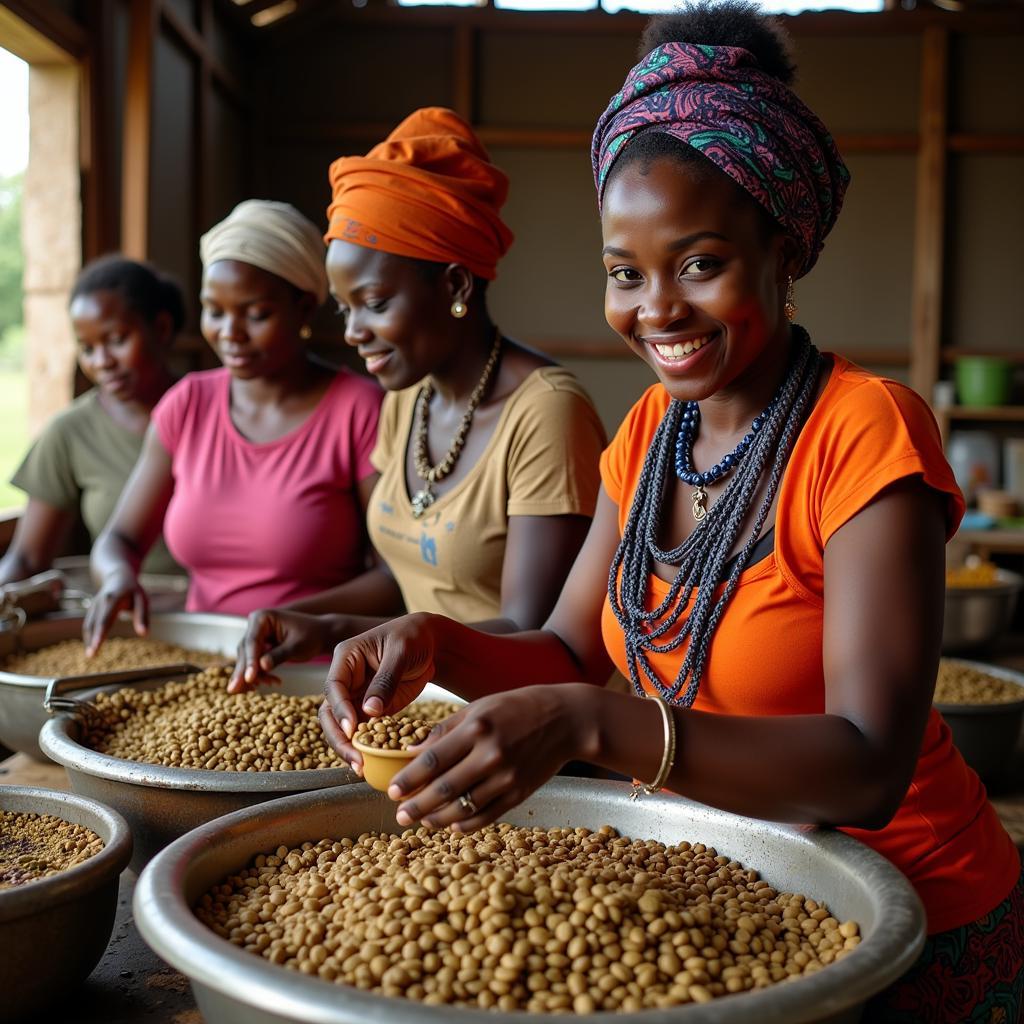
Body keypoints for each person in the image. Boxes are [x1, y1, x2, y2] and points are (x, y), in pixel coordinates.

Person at [317, 6, 1022, 1019]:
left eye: (699, 263)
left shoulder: (866, 435)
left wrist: (589, 723)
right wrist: (432, 642)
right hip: (732, 886)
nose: (655, 309)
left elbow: (868, 764)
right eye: (624, 272)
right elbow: (566, 651)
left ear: (786, 251)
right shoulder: (649, 430)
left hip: (908, 913)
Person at [228, 108, 606, 694]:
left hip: (516, 732)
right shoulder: (409, 398)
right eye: (344, 308)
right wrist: (319, 622)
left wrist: (366, 639)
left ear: (454, 286)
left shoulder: (546, 412)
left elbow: (532, 633)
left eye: (374, 303)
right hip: (416, 704)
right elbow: (401, 574)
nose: (353, 331)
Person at [84, 200, 384, 653]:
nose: (231, 333)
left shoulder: (358, 410)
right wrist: (117, 576)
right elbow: (120, 538)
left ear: (303, 308)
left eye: (255, 314)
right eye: (215, 311)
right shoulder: (187, 405)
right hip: (205, 666)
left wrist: (301, 619)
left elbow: (394, 576)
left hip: (318, 665)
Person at [0, 256, 182, 587]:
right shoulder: (70, 432)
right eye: (87, 348)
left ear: (161, 329)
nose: (102, 362)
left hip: (218, 610)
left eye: (116, 340)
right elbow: (27, 558)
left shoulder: (212, 412)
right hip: (124, 610)